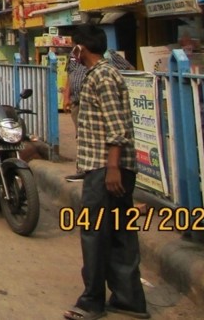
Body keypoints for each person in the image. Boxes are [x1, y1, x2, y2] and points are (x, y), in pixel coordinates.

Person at [63, 24, 148, 320]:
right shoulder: (97, 75)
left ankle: (92, 301)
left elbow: (117, 128)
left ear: (81, 48)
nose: (72, 52)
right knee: (120, 232)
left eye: (74, 46)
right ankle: (129, 299)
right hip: (106, 166)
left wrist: (112, 168)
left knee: (94, 232)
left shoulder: (103, 75)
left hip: (106, 167)